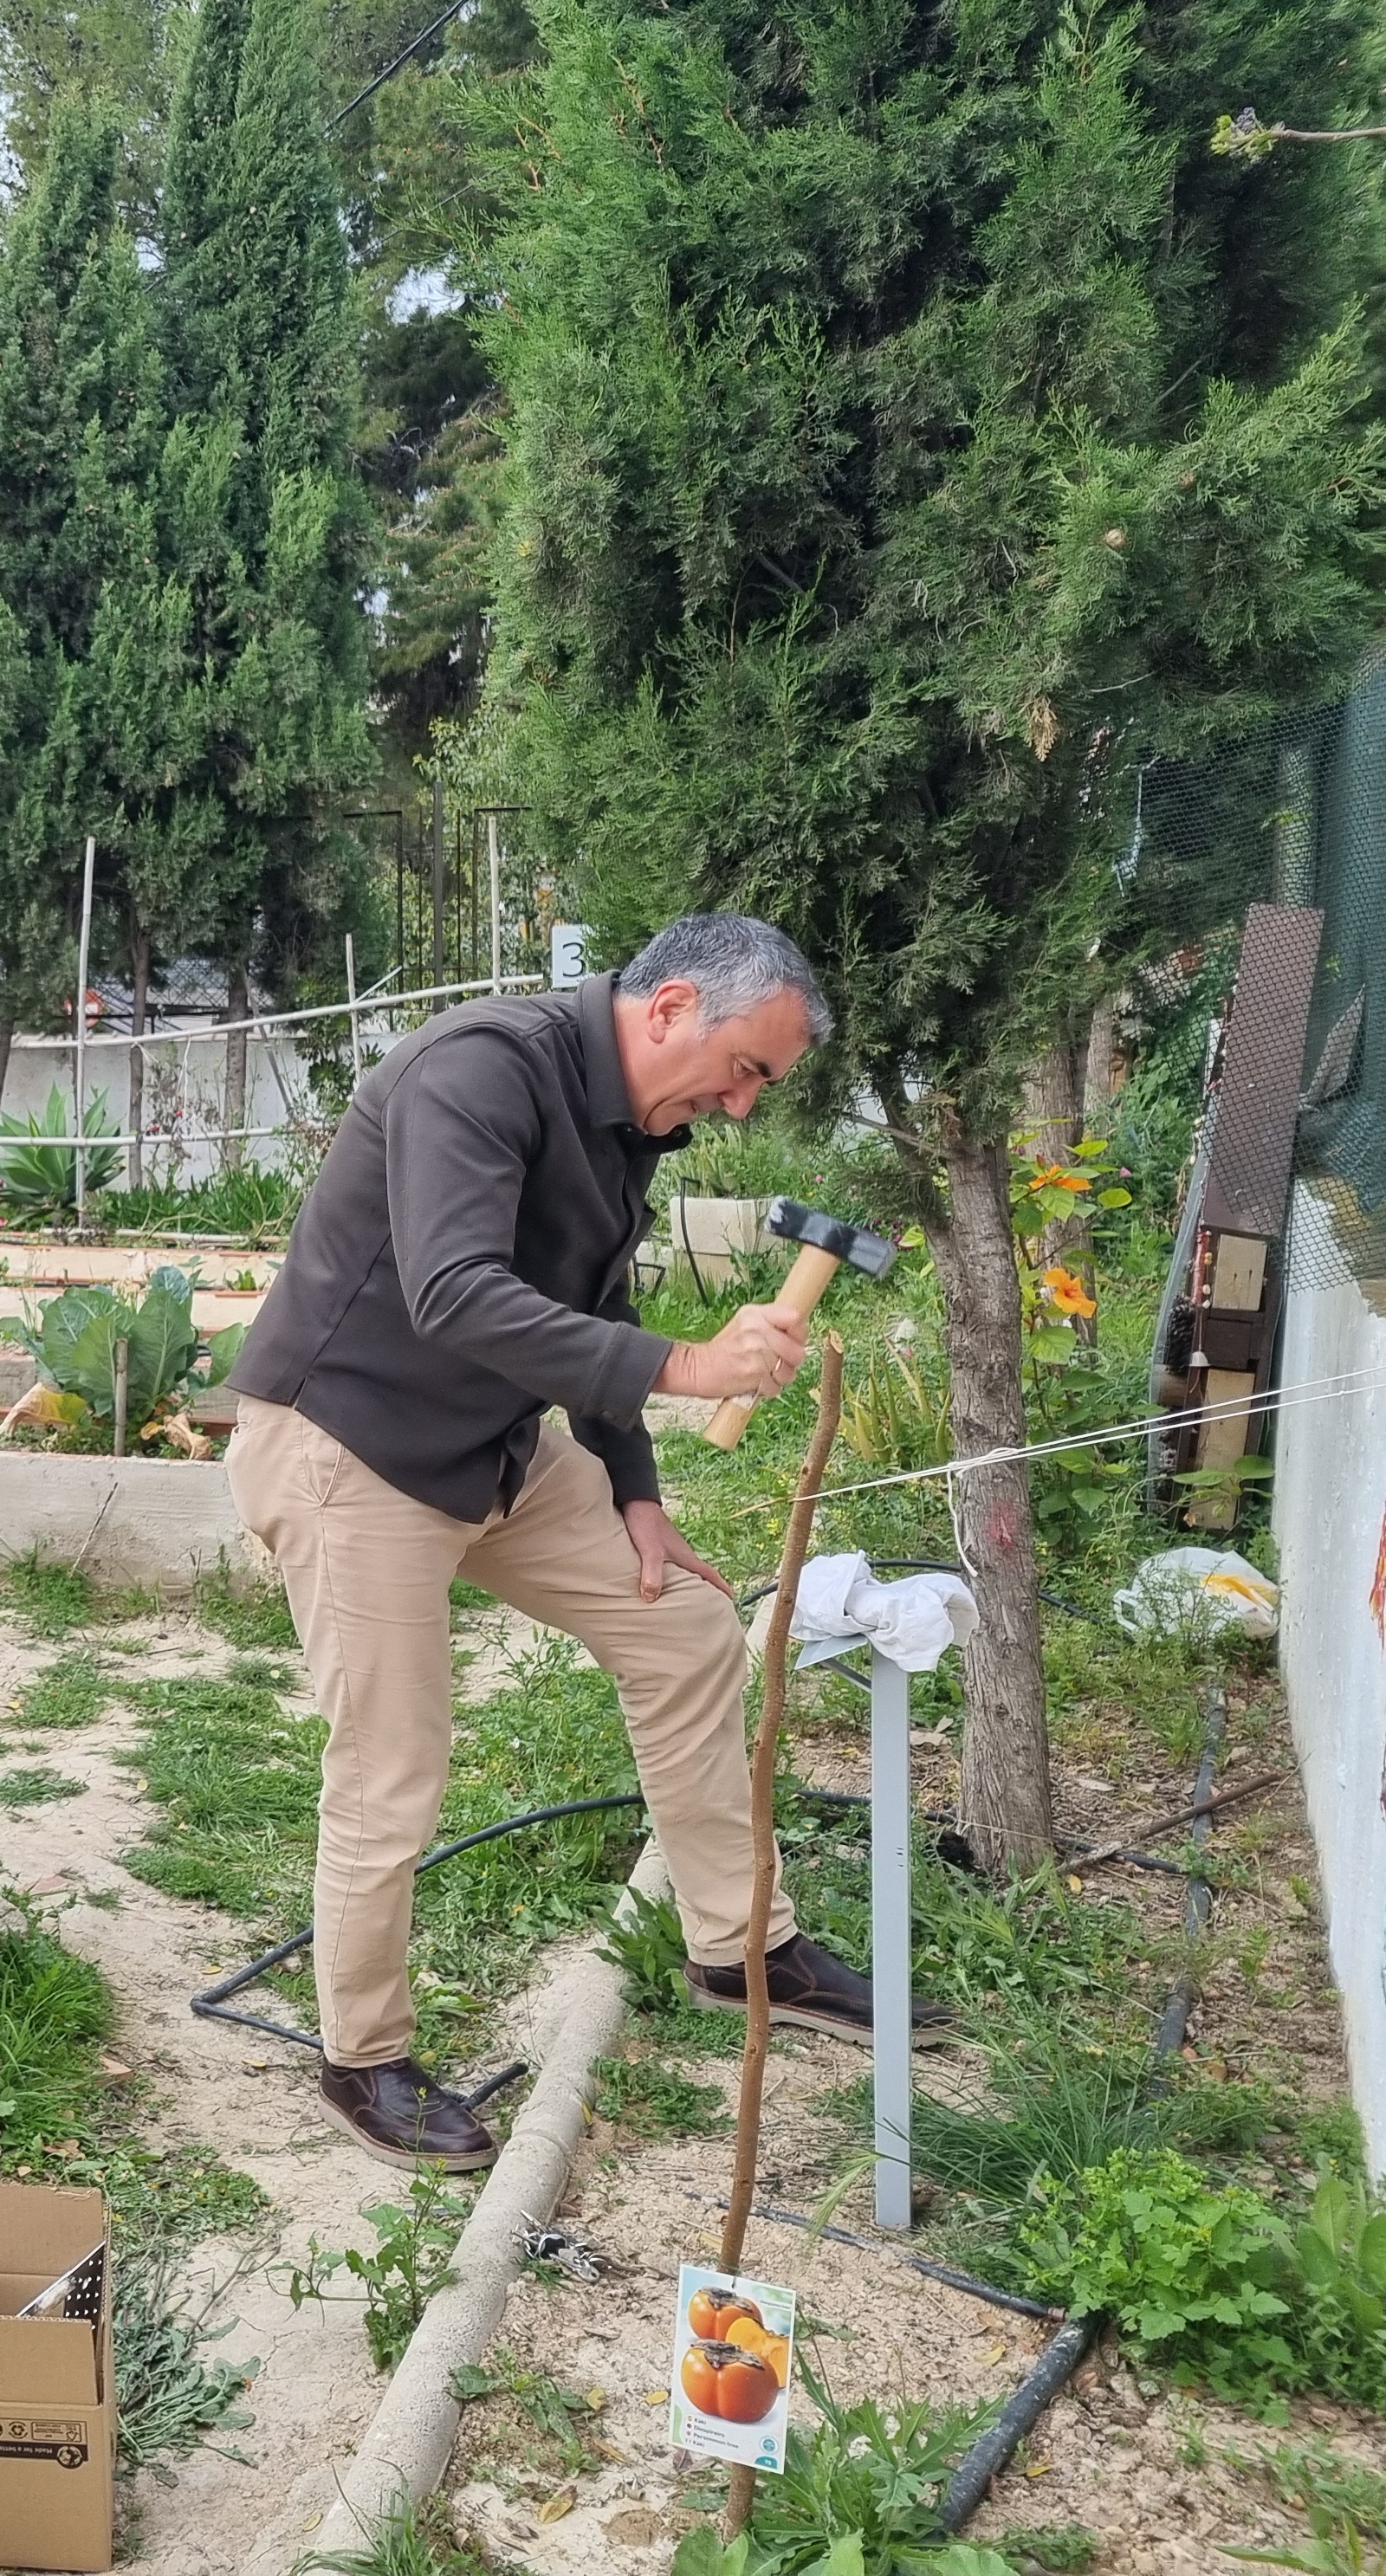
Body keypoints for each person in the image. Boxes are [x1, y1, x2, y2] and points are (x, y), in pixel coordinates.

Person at [225, 914, 947, 2174]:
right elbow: (453, 1289)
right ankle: (363, 2057)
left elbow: (589, 1304)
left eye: (761, 1086)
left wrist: (635, 1486)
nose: (738, 1104)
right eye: (746, 1069)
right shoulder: (482, 1067)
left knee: (683, 1626)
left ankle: (742, 1946)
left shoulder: (632, 1123)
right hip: (354, 1449)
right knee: (394, 1762)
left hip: (490, 1448)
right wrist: (686, 1367)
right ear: (670, 1007)